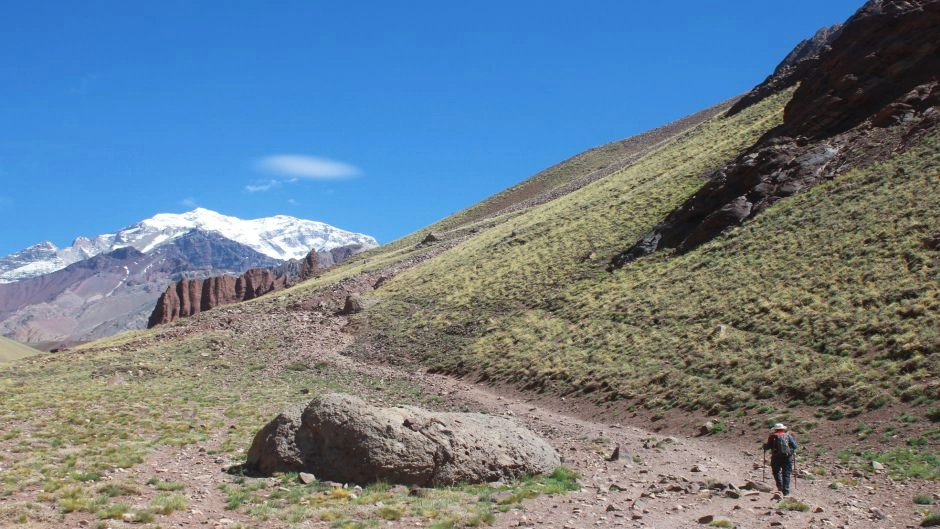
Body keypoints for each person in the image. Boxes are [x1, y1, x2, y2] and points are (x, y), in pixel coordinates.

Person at [763, 423, 798, 496]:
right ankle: (786, 492)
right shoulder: (788, 436)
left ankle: (779, 486)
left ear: (775, 429)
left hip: (776, 457)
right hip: (787, 457)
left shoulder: (772, 436)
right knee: (786, 474)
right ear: (783, 429)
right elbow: (795, 446)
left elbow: (767, 447)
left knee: (776, 472)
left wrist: (764, 446)